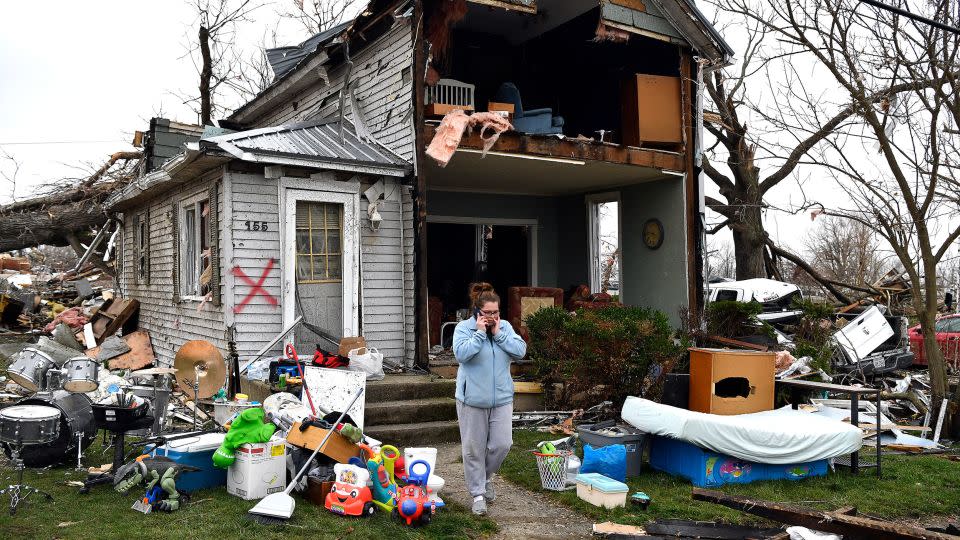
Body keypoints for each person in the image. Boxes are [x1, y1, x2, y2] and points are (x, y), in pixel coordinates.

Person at [452, 282, 527, 515]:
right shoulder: (464, 329)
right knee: (473, 449)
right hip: (471, 400)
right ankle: (477, 496)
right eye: (488, 313)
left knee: (502, 445)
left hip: (502, 399)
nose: (493, 317)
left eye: (496, 312)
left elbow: (520, 350)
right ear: (478, 312)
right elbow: (461, 354)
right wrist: (480, 334)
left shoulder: (504, 328)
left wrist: (498, 334)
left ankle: (484, 479)